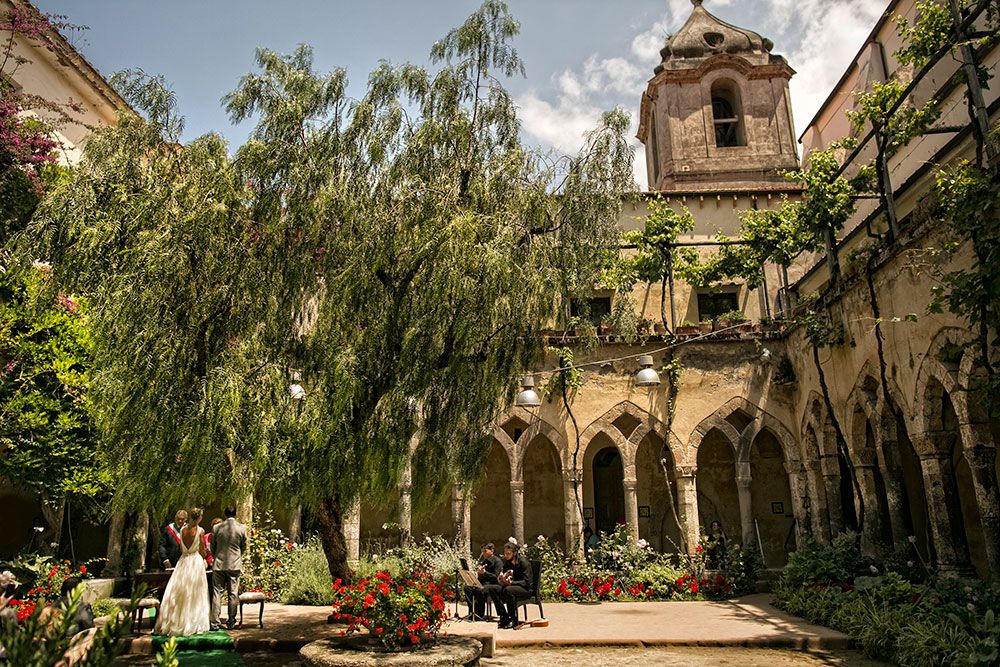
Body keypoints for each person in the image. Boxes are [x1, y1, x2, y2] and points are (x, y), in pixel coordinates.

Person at [155, 507, 210, 636]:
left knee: (179, 590)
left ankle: (176, 620)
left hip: (183, 561)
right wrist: (204, 555)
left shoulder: (182, 530)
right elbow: (202, 550)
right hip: (195, 561)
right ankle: (192, 622)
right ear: (200, 517)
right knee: (195, 592)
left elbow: (181, 548)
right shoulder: (200, 530)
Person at [210, 506, 247, 631]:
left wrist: (217, 556)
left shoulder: (216, 528)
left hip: (219, 564)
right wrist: (237, 556)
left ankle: (214, 622)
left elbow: (212, 546)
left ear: (225, 514)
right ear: (235, 514)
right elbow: (244, 546)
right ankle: (231, 622)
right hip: (234, 564)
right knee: (233, 594)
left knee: (217, 593)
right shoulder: (242, 528)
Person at [486, 540, 533, 629]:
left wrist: (512, 583)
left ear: (514, 553)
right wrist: (501, 577)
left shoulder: (524, 562)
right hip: (512, 586)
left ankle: (514, 619)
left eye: (508, 553)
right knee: (492, 588)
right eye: (505, 553)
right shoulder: (507, 562)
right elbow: (503, 572)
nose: (506, 555)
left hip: (525, 589)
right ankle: (504, 616)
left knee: (508, 590)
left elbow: (527, 582)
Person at [465, 543, 502, 621]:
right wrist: (477, 574)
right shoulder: (484, 561)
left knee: (480, 589)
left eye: (485, 551)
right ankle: (472, 611)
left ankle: (480, 613)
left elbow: (497, 578)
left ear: (492, 550)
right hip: (483, 583)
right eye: (482, 551)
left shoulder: (497, 561)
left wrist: (485, 573)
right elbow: (481, 574)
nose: (483, 553)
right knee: (467, 588)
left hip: (492, 584)